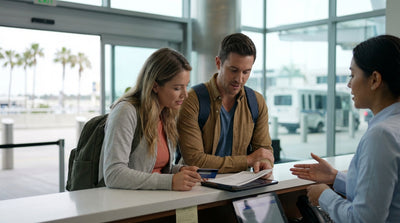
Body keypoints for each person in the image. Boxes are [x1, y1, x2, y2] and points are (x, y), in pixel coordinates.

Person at [290, 35, 400, 222]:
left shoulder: (381, 135)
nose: (349, 84)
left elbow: (363, 220)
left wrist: (324, 195)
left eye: (352, 75)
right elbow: (385, 192)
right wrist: (335, 177)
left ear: (374, 79)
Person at [99, 48, 201, 191]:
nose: (185, 94)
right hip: (127, 206)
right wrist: (170, 181)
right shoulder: (126, 112)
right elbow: (113, 174)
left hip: (154, 201)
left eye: (186, 86)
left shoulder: (166, 114)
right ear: (155, 86)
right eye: (177, 88)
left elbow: (154, 169)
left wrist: (180, 171)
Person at [177, 33, 274, 175]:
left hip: (241, 187)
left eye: (246, 72)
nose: (239, 79)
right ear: (218, 63)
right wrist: (248, 160)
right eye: (233, 70)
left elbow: (264, 151)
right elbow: (195, 159)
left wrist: (264, 164)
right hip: (198, 186)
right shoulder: (192, 99)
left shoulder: (256, 102)